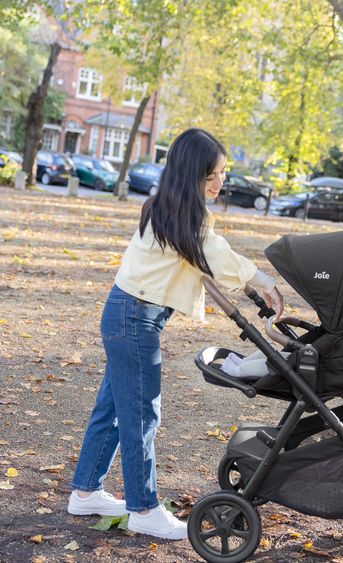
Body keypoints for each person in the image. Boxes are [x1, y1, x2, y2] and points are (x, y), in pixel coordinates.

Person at [67, 128, 284, 540]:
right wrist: (266, 282)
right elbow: (215, 253)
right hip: (134, 320)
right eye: (211, 176)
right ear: (190, 176)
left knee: (113, 408)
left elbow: (207, 259)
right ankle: (144, 509)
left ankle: (85, 490)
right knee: (142, 413)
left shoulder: (169, 209)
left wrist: (253, 289)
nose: (220, 182)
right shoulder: (184, 217)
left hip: (126, 315)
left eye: (223, 173)